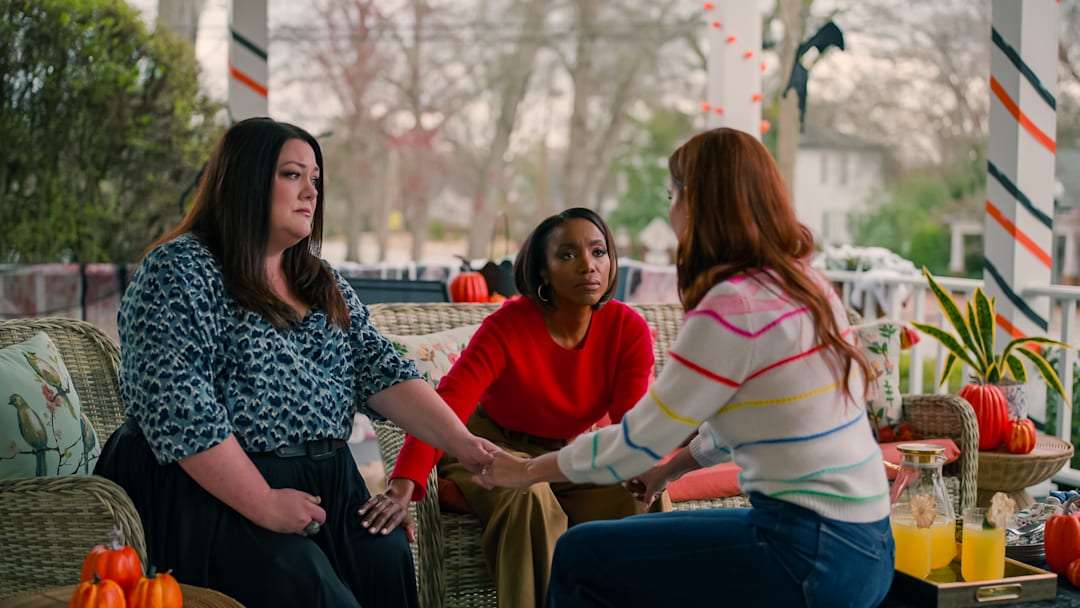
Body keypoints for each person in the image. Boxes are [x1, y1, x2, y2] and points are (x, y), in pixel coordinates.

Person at [475, 128, 895, 607]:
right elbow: (755, 418)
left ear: (699, 205)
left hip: (805, 554)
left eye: (673, 196)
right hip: (868, 545)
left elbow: (635, 442)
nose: (671, 212)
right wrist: (669, 471)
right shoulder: (804, 283)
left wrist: (527, 471)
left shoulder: (734, 305)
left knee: (580, 554)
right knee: (639, 539)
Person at [93, 117, 496, 608]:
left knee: (386, 557)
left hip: (326, 482)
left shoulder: (317, 278)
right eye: (292, 175)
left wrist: (466, 444)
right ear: (244, 181)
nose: (311, 191)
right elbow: (180, 410)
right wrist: (263, 503)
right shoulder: (180, 270)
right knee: (312, 588)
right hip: (211, 488)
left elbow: (383, 371)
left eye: (316, 180)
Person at [358, 207, 667, 608]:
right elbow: (448, 405)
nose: (589, 266)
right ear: (543, 271)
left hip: (572, 452)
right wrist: (403, 487)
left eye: (599, 252)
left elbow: (632, 425)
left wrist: (650, 464)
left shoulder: (627, 329)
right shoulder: (508, 325)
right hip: (489, 449)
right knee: (530, 495)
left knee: (640, 493)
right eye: (569, 255)